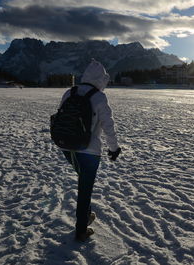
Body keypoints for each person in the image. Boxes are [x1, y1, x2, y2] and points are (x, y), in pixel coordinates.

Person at [58, 59, 121, 242]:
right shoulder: (99, 97)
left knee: (83, 181)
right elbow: (108, 126)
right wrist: (114, 148)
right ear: (102, 79)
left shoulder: (70, 92)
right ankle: (81, 230)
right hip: (88, 151)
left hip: (66, 146)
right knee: (85, 188)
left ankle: (86, 215)